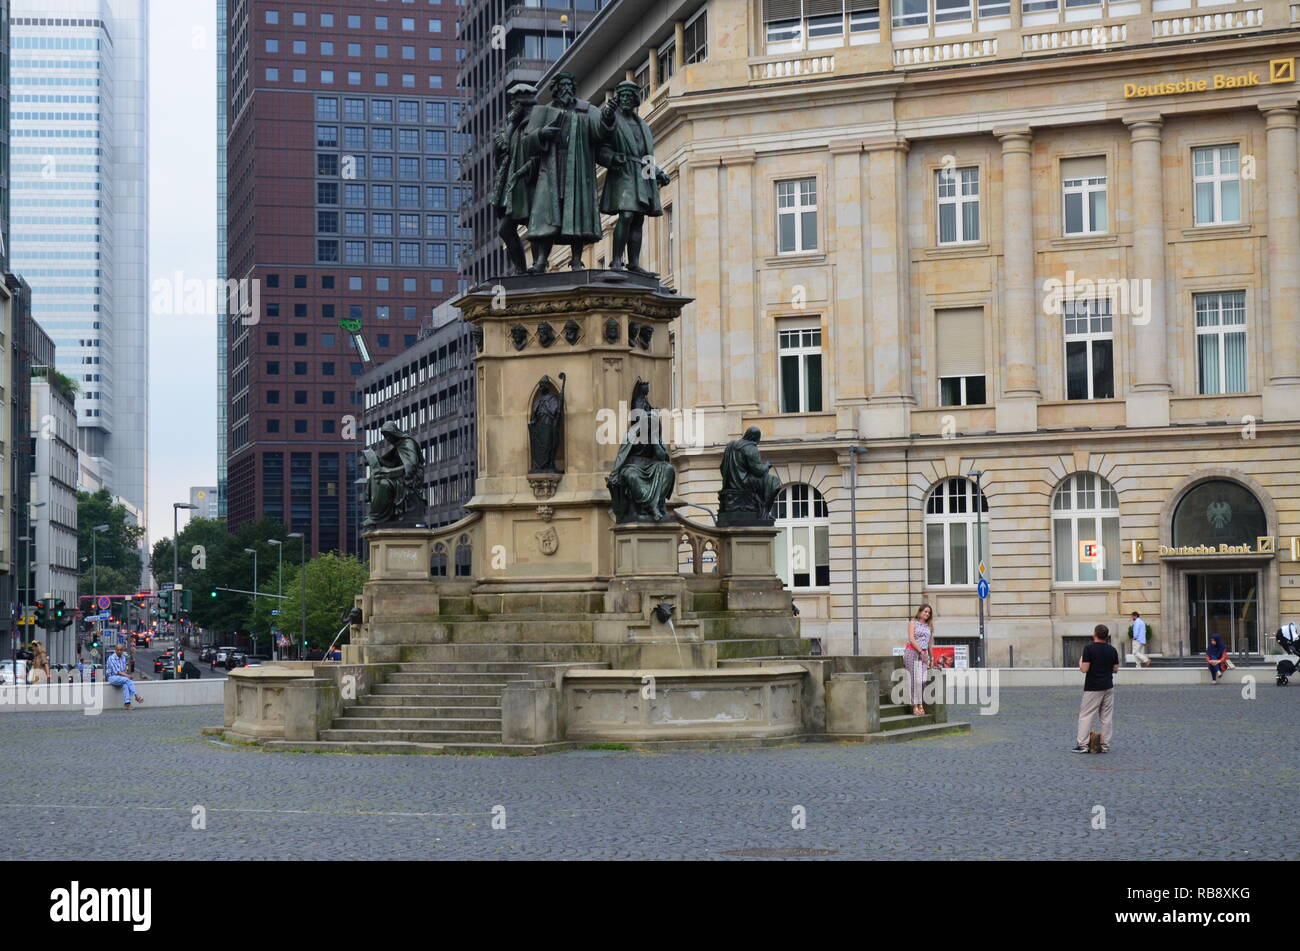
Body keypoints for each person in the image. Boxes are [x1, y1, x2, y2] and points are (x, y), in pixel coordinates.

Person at [1072, 624, 1119, 753]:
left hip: (1093, 687)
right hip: (1108, 686)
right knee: (1106, 717)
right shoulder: (1112, 650)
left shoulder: (1089, 649)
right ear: (1106, 636)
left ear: (1095, 634)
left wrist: (1081, 661)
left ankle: (1083, 744)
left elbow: (1084, 669)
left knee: (1086, 715)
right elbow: (1115, 669)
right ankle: (1105, 745)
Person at [905, 605, 934, 717]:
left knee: (922, 679)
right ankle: (915, 706)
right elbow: (911, 639)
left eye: (929, 613)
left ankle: (920, 702)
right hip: (912, 652)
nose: (927, 614)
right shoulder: (913, 623)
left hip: (924, 654)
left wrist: (931, 658)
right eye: (925, 611)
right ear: (920, 612)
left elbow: (930, 644)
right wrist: (920, 651)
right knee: (913, 679)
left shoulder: (929, 627)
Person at [105, 642, 143, 710]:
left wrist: (126, 676)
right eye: (118, 650)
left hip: (121, 678)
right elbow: (117, 672)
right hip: (112, 677)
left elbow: (124, 670)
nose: (119, 651)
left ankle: (127, 703)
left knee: (125, 683)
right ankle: (136, 695)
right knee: (127, 679)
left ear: (122, 650)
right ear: (115, 650)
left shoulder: (123, 658)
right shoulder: (111, 658)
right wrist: (128, 676)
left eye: (121, 650)